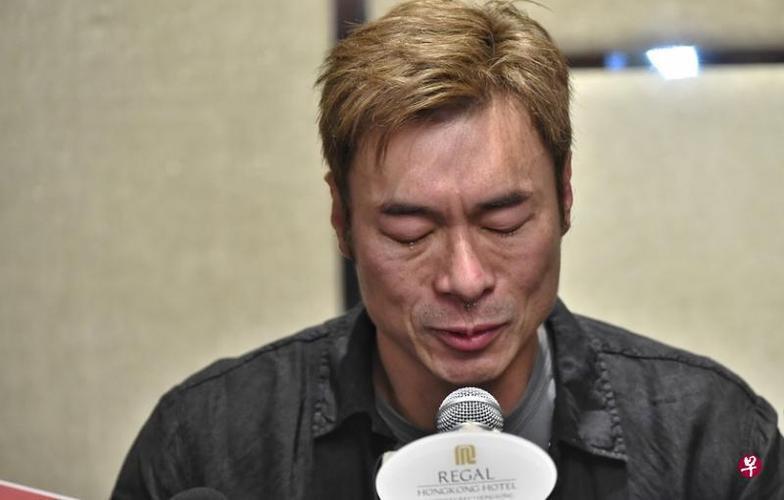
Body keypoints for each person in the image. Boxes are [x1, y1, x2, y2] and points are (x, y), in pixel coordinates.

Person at [112, 1, 782, 498]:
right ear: (342, 219)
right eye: (410, 231)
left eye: (505, 221)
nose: (464, 279)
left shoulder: (719, 445)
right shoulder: (204, 447)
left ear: (565, 197)